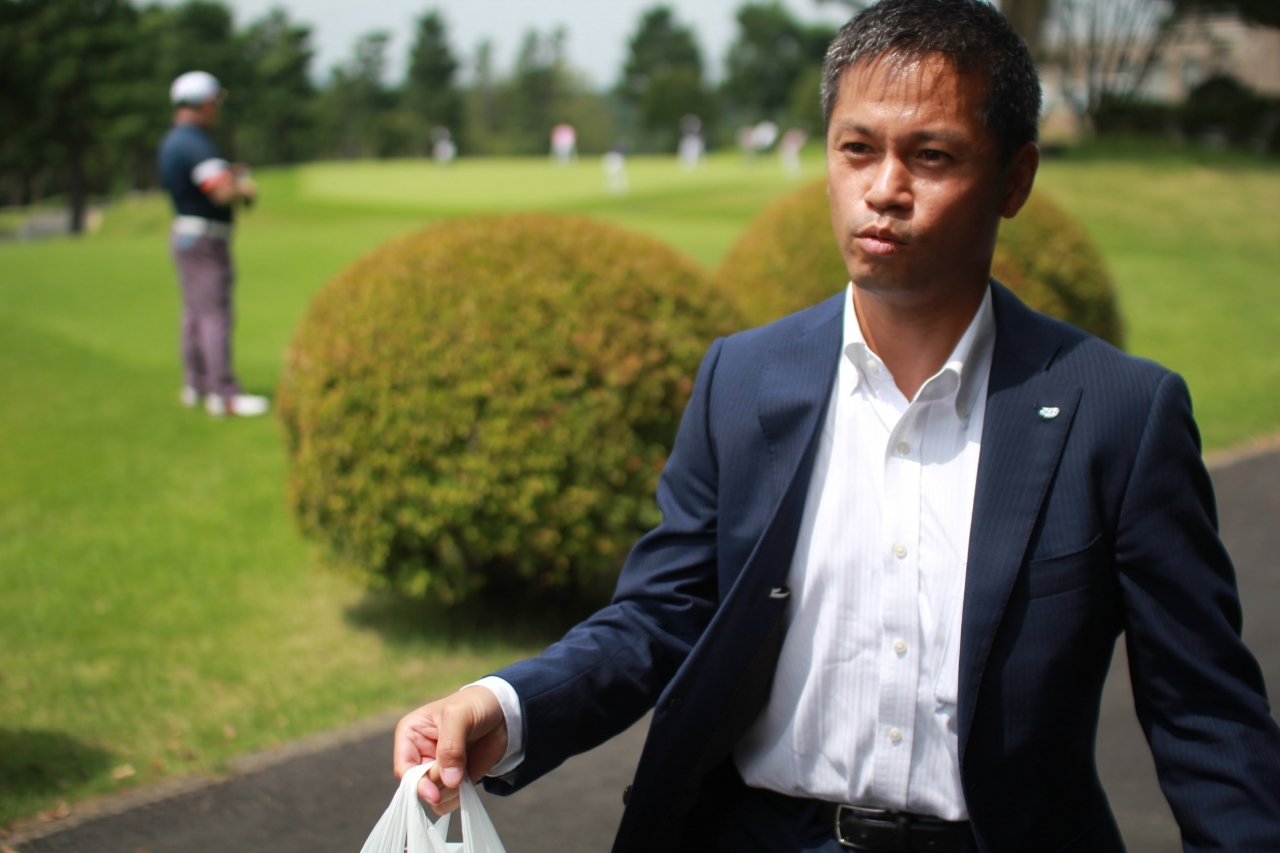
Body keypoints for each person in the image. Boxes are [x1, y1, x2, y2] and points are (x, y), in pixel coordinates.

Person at [393, 1, 1280, 851]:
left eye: (932, 156)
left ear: (1015, 180)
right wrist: (503, 705)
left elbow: (1204, 713)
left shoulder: (1117, 412)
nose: (884, 190)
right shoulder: (743, 379)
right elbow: (663, 615)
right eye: (858, 149)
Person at [158, 71, 269, 418]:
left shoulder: (173, 139)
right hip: (205, 239)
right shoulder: (196, 142)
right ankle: (223, 395)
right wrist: (244, 190)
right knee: (214, 315)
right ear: (205, 104)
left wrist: (226, 175)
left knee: (194, 314)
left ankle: (197, 384)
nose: (217, 110)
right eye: (215, 103)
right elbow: (219, 192)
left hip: (185, 234)